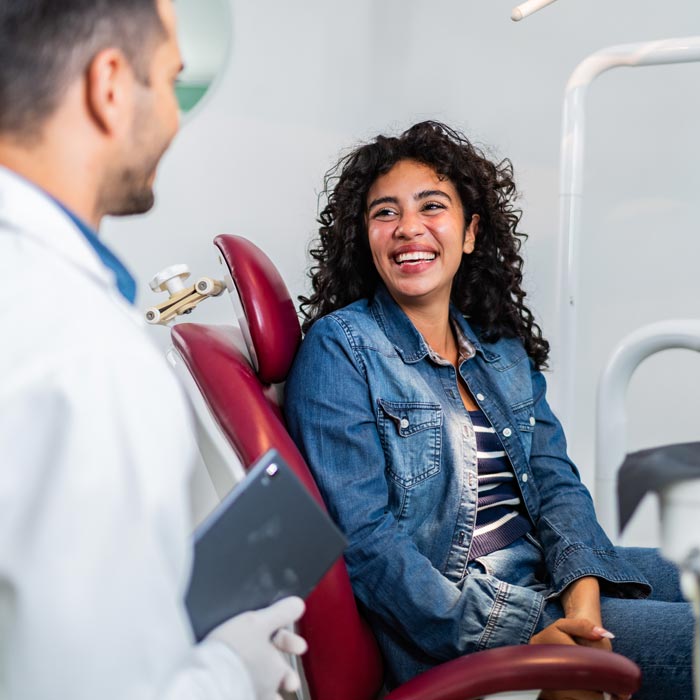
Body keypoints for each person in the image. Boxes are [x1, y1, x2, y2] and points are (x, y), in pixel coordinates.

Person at [285, 121, 693, 700]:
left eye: (432, 205)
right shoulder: (341, 349)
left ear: (470, 232)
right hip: (460, 625)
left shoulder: (499, 350)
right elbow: (367, 546)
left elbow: (556, 485)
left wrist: (583, 603)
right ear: (364, 236)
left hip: (549, 582)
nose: (408, 228)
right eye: (384, 213)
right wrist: (526, 634)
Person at [0, 1, 306, 699]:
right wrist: (234, 668)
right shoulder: (85, 354)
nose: (174, 114)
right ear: (108, 85)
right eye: (170, 80)